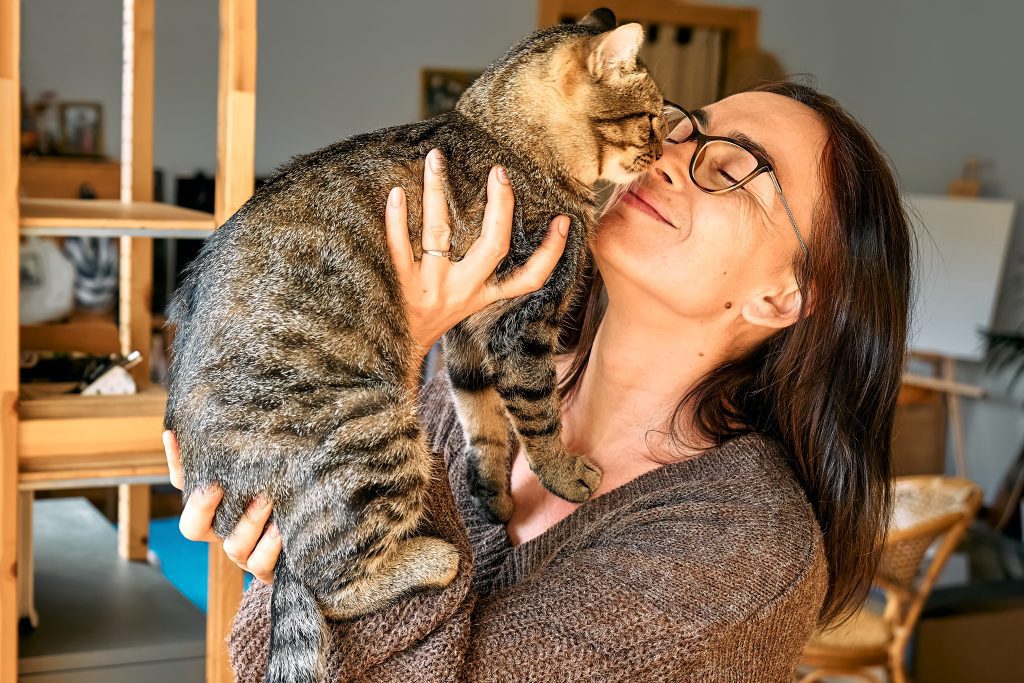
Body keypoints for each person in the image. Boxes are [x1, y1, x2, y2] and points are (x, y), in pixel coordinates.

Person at [163, 81, 911, 681]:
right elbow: (271, 657)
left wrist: (385, 350)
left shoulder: (744, 552)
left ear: (782, 297)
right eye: (683, 127)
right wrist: (283, 548)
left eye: (730, 171)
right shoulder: (478, 378)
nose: (668, 154)